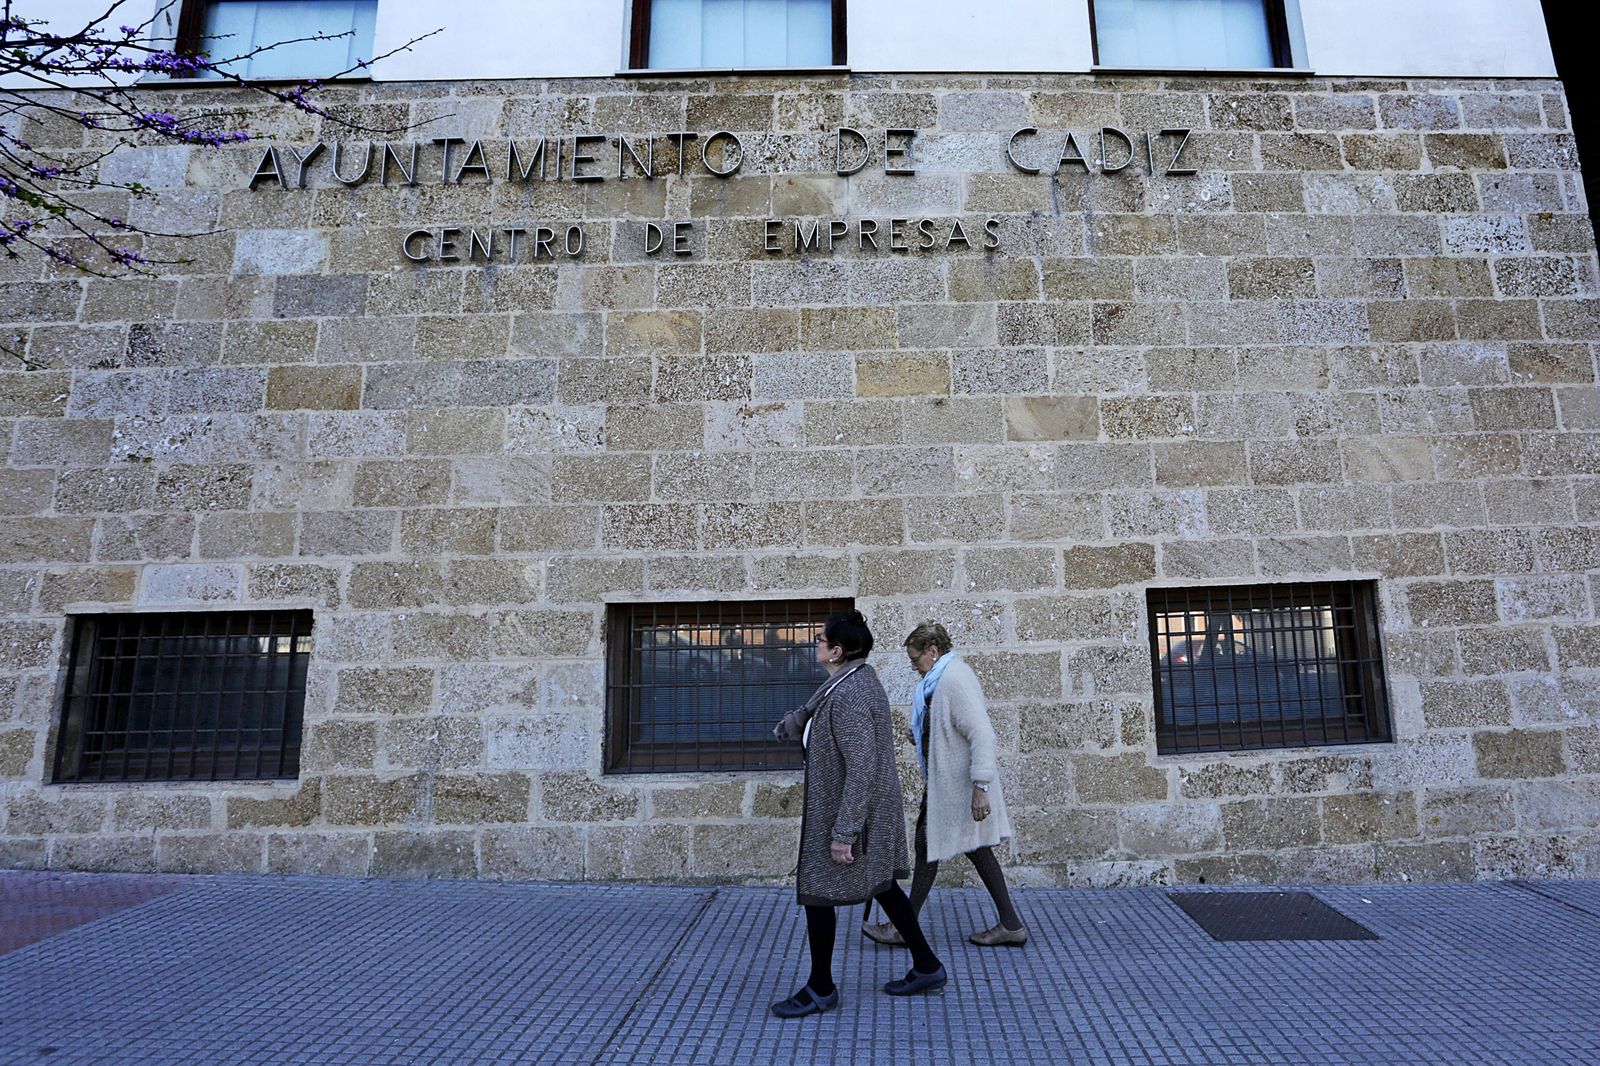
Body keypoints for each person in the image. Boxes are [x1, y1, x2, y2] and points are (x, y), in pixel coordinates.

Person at [768, 610, 947, 1018]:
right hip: (862, 812)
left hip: (852, 816)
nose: (816, 643)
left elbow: (862, 765)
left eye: (821, 639)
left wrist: (844, 833)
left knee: (818, 893)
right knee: (884, 885)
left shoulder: (849, 695)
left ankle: (820, 988)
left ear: (837, 651)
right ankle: (927, 965)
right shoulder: (850, 682)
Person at [862, 621, 1028, 948]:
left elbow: (982, 733)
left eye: (915, 659)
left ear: (933, 651)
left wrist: (981, 787)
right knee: (944, 847)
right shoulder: (939, 680)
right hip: (945, 786)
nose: (913, 666)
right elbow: (949, 726)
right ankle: (1009, 924)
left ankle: (904, 927)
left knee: (940, 847)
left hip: (960, 788)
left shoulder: (953, 680)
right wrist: (924, 734)